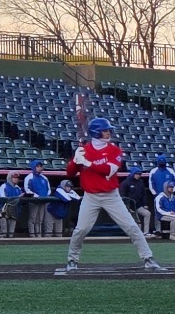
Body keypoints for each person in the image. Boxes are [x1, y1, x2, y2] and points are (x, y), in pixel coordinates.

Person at [58, 117, 165, 274]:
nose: (108, 133)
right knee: (81, 230)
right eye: (105, 130)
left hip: (111, 196)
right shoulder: (84, 150)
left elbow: (109, 170)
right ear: (97, 132)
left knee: (131, 227)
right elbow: (70, 173)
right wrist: (75, 160)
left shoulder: (114, 150)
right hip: (90, 196)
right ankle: (72, 260)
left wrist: (87, 163)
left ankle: (148, 258)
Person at [146, 156, 175, 235]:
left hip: (169, 196)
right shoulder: (153, 171)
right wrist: (154, 193)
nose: (162, 163)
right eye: (160, 162)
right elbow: (151, 184)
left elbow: (174, 183)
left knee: (171, 211)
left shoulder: (170, 171)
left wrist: (171, 193)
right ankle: (158, 229)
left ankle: (170, 229)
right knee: (158, 212)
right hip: (158, 195)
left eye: (163, 162)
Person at [23, 161, 52, 236]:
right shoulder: (29, 177)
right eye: (37, 166)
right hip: (33, 201)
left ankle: (38, 235)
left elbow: (48, 189)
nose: (39, 168)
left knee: (40, 220)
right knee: (33, 219)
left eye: (40, 166)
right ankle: (32, 235)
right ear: (34, 167)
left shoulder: (44, 178)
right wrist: (36, 196)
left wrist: (45, 196)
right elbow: (27, 189)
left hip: (43, 201)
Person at [0, 171, 25, 237]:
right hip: (4, 210)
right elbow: (3, 199)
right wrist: (18, 197)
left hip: (14, 211)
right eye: (14, 177)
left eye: (17, 178)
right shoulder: (4, 186)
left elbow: (20, 201)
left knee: (11, 233)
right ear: (10, 178)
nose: (16, 179)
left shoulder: (18, 188)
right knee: (3, 231)